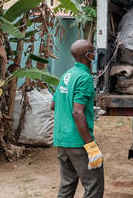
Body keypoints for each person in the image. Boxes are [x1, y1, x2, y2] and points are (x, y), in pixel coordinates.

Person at [51, 39, 104, 198]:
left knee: (67, 185)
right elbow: (77, 112)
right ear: (89, 56)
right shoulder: (84, 78)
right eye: (93, 51)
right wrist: (90, 146)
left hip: (62, 140)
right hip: (78, 142)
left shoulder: (67, 75)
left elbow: (53, 104)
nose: (95, 54)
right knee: (93, 186)